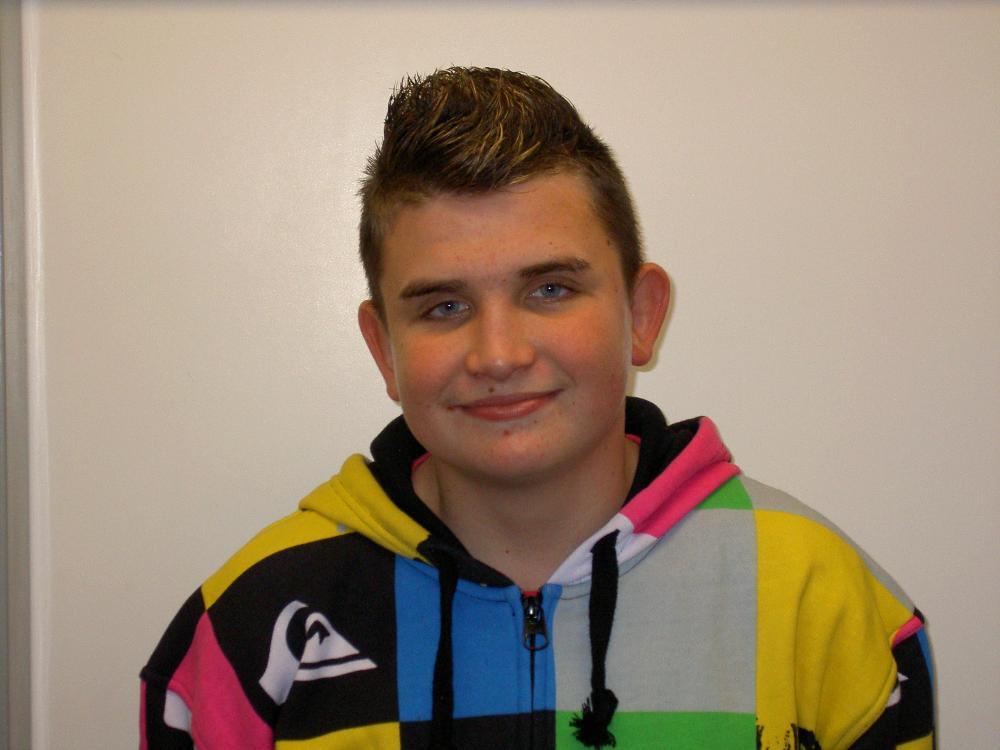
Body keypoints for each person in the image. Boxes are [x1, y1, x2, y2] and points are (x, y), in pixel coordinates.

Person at [140, 67, 934, 750]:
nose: (498, 354)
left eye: (550, 289)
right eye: (444, 306)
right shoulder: (251, 627)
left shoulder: (822, 601)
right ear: (383, 349)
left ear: (642, 315)